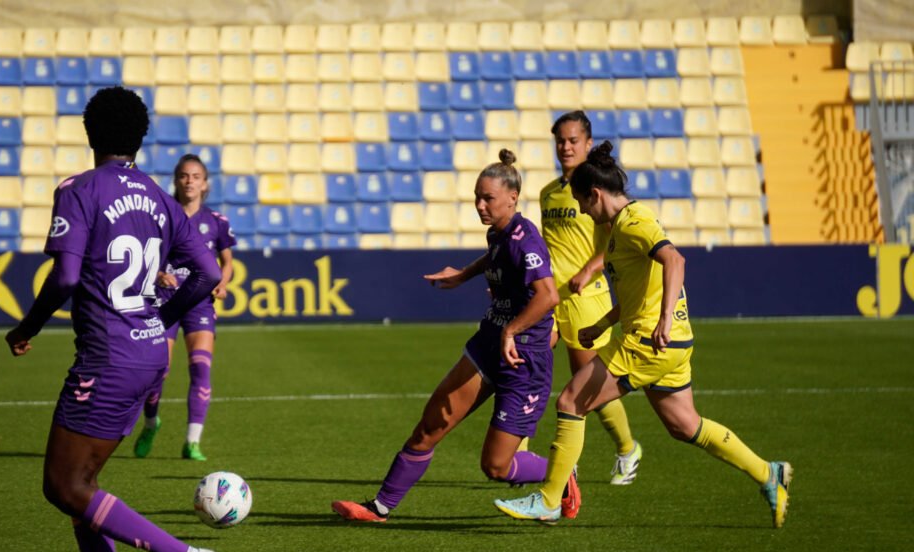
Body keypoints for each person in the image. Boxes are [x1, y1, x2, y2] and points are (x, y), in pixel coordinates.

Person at [5, 86, 226, 552]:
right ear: (140, 137)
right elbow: (208, 275)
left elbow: (65, 277)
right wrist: (159, 318)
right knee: (86, 484)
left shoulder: (79, 190)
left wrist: (26, 327)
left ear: (89, 133)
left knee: (64, 485)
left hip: (108, 355)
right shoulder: (158, 196)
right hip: (149, 352)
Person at [494, 142, 793, 528]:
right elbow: (639, 289)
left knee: (571, 401)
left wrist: (664, 319)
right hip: (670, 343)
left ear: (596, 195)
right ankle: (768, 474)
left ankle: (550, 499)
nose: (584, 211)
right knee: (685, 425)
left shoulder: (635, 222)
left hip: (648, 341)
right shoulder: (621, 228)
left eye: (585, 204)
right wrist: (603, 324)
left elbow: (675, 260)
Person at [332, 150, 572, 523]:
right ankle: (378, 508)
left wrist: (512, 329)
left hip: (523, 361)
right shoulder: (499, 232)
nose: (479, 205)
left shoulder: (526, 240)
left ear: (512, 197)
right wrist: (464, 274)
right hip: (489, 345)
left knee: (495, 466)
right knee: (429, 426)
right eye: (476, 197)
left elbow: (548, 296)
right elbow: (494, 257)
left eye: (487, 198)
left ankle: (560, 475)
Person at [541, 111, 642, 492]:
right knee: (527, 371)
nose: (565, 147)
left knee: (589, 389)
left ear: (587, 143)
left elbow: (615, 240)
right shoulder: (548, 192)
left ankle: (627, 448)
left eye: (572, 141)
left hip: (589, 300)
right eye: (560, 141)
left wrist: (589, 269)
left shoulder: (598, 190)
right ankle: (547, 462)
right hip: (552, 301)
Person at [132, 154, 235, 462]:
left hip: (200, 301)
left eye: (196, 176)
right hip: (164, 300)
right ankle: (151, 423)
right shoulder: (161, 215)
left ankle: (192, 442)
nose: (190, 181)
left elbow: (226, 262)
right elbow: (145, 254)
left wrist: (223, 282)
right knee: (157, 372)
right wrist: (157, 273)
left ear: (205, 184)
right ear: (176, 181)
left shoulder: (216, 222)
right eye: (184, 176)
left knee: (201, 368)